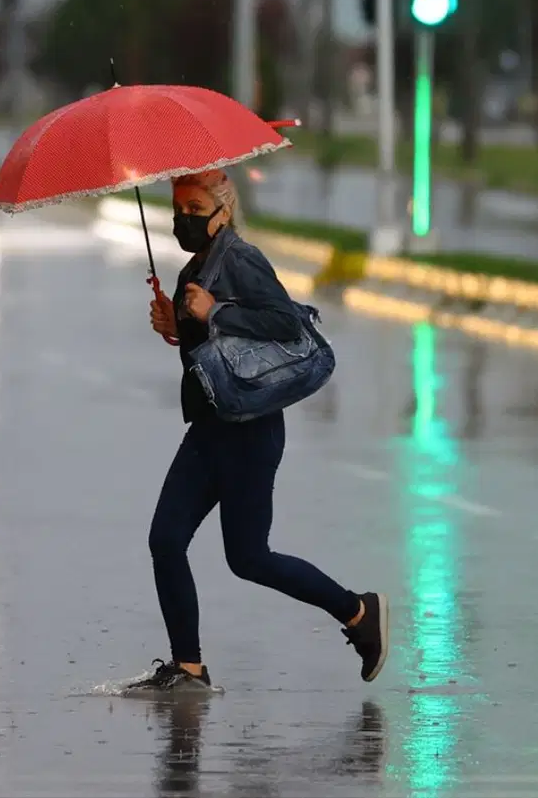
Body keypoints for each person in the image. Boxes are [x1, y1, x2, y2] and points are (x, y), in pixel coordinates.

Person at [125, 169, 388, 693]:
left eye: (196, 209)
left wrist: (215, 311)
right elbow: (208, 349)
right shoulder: (192, 269)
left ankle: (358, 611)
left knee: (249, 558)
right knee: (166, 539)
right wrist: (178, 328)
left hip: (249, 432)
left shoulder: (240, 258)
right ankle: (189, 667)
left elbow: (285, 323)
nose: (184, 219)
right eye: (179, 209)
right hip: (208, 428)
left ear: (223, 212)